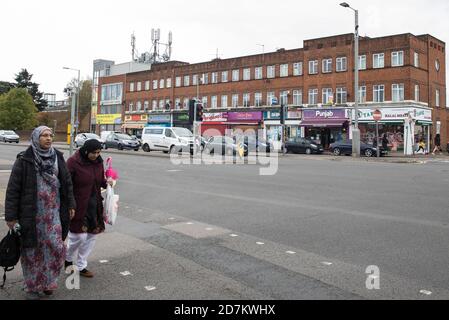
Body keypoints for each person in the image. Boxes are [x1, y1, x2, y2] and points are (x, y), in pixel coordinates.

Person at [4, 126, 76, 300]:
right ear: (36, 138)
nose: (49, 138)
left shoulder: (57, 157)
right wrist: (11, 216)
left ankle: (48, 282)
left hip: (53, 214)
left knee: (55, 248)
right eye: (44, 135)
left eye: (51, 135)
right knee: (32, 252)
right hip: (31, 215)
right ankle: (32, 286)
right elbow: (13, 189)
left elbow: (67, 183)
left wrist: (71, 204)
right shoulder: (24, 160)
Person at [65, 139, 113, 278]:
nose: (97, 155)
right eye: (94, 153)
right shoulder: (73, 162)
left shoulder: (98, 162)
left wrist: (108, 182)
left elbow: (100, 181)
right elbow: (67, 184)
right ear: (86, 151)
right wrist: (69, 204)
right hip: (78, 204)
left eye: (99, 152)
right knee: (79, 236)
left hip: (94, 204)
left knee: (91, 236)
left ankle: (81, 265)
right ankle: (68, 258)